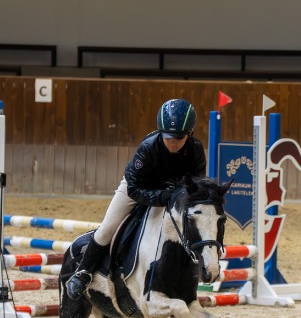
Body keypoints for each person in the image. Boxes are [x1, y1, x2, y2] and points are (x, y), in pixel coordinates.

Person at [65, 98, 206, 299]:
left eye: (179, 137)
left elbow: (196, 185)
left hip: (173, 194)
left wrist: (180, 196)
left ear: (190, 134)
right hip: (139, 187)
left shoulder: (196, 150)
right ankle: (83, 273)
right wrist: (160, 196)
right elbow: (135, 188)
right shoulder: (148, 147)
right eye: (168, 137)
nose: (173, 142)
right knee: (107, 228)